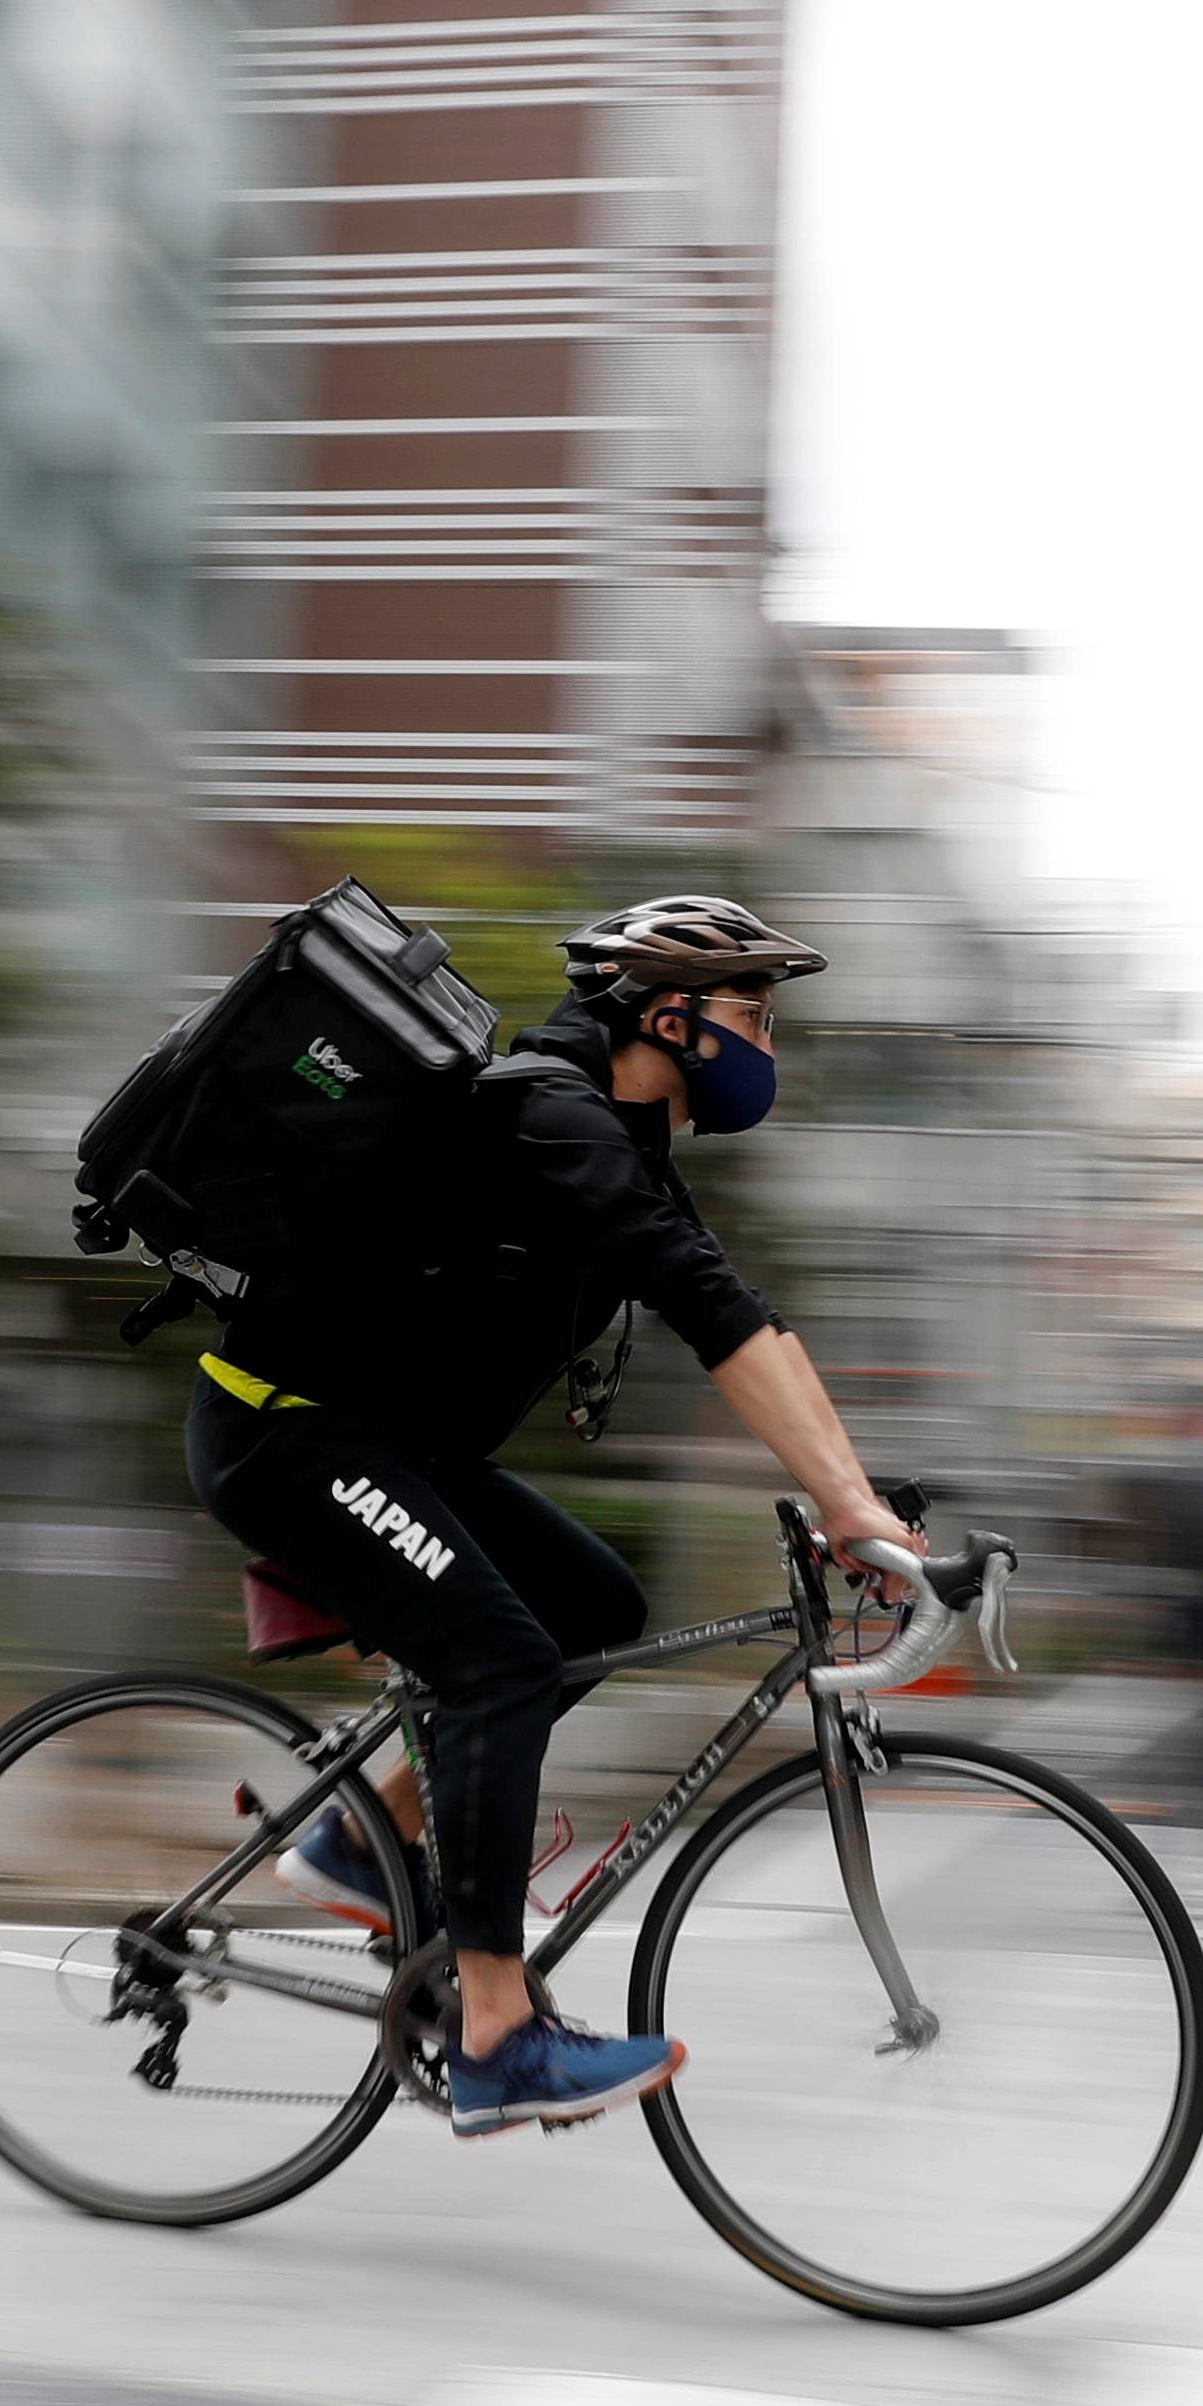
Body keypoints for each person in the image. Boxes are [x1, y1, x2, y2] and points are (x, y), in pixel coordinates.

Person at [184, 895, 925, 2139]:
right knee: (501, 1661)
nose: (771, 1047)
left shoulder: (618, 1144)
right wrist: (847, 1505)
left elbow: (735, 1308)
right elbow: (710, 1312)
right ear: (673, 1018)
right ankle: (496, 2037)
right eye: (758, 1016)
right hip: (287, 1430)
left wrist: (852, 1488)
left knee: (595, 1604)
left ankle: (363, 1846)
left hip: (382, 1445)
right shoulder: (551, 1113)